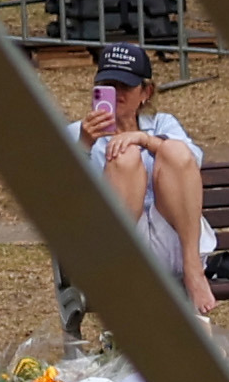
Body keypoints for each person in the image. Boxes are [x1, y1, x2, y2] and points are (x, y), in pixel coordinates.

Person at [71, 43, 211, 298]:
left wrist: (145, 140)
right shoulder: (79, 133)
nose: (117, 93)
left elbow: (192, 162)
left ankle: (193, 270)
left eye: (125, 86)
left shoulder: (162, 124)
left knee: (175, 150)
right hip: (114, 247)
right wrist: (84, 145)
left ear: (145, 92)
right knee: (125, 155)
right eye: (109, 85)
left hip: (173, 240)